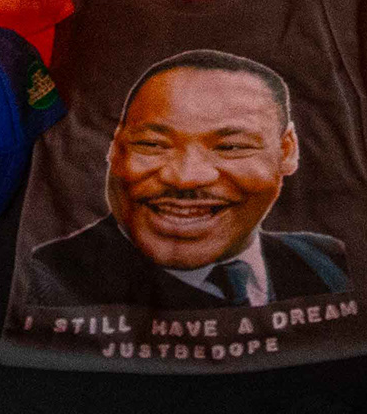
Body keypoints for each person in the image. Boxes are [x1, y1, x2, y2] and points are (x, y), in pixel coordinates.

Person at [27, 50, 350, 308]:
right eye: (152, 144)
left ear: (287, 151)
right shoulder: (47, 282)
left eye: (231, 147)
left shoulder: (327, 261)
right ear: (116, 148)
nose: (185, 178)